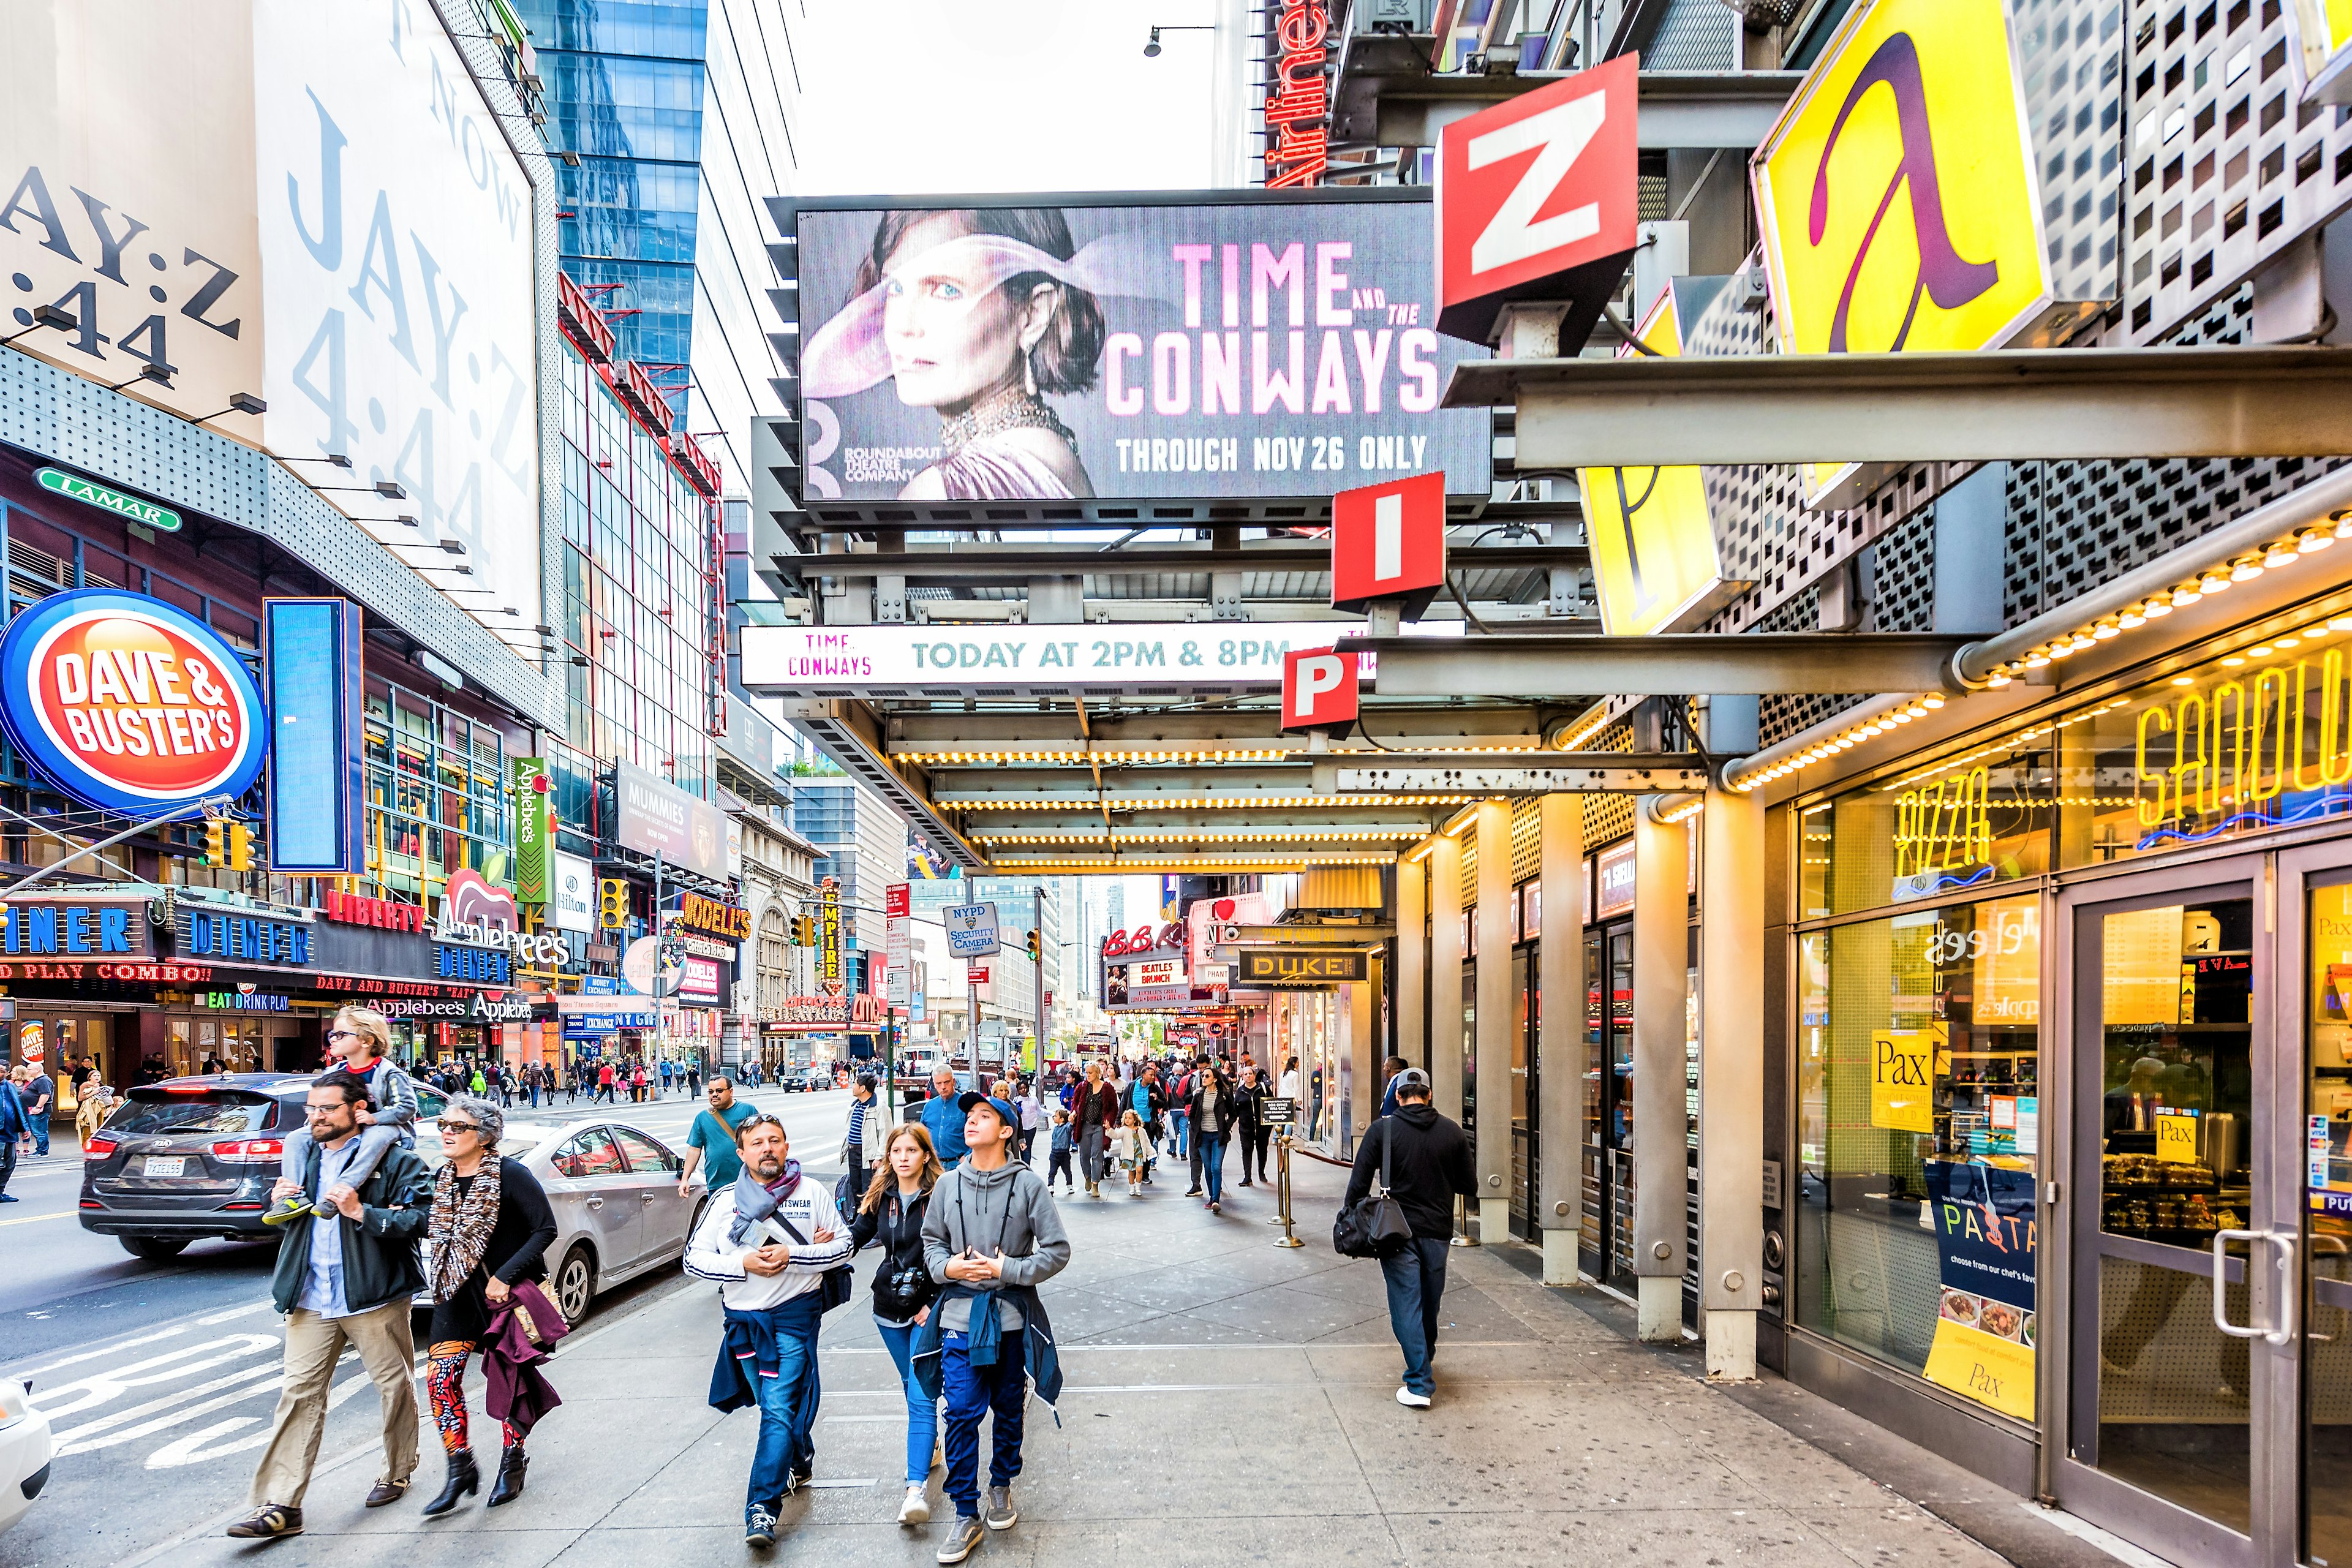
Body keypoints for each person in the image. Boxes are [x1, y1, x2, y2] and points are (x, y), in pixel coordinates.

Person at [804, 206, 1134, 502]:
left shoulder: (946, 490)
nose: (904, 325)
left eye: (947, 290)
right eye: (895, 287)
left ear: (1033, 314)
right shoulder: (1052, 451)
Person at [228, 1070, 433, 1538]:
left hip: (373, 1294)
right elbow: (288, 1223)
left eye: (327, 1109)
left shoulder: (394, 1159)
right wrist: (278, 1201)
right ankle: (281, 1504)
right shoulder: (303, 1159)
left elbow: (423, 1217)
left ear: (358, 1112)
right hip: (310, 1297)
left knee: (393, 1386)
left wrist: (364, 1212)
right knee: (299, 1394)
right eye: (311, 1109)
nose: (315, 1117)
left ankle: (398, 1468)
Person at [915, 1092, 1069, 1564]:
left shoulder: (1028, 1186)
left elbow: (1057, 1250)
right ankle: (965, 1512)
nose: (971, 1123)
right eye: (970, 1117)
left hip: (1010, 1320)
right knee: (960, 1412)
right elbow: (931, 1244)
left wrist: (1009, 1270)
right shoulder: (946, 1184)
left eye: (984, 1117)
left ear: (1006, 1131)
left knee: (1007, 1408)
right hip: (959, 1320)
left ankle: (1001, 1484)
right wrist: (949, 1271)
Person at [687, 1113, 853, 1548]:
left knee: (777, 1409)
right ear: (741, 1153)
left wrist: (795, 1255)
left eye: (775, 1141)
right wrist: (740, 1263)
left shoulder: (812, 1192)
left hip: (795, 1318)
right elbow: (693, 1260)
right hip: (743, 1324)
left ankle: (761, 1508)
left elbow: (844, 1245)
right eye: (758, 1142)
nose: (768, 1148)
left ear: (786, 1146)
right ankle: (799, 1454)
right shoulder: (725, 1201)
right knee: (777, 1408)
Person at [420, 1096, 559, 1515]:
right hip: (455, 1292)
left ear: (484, 1136)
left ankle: (512, 1461)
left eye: (459, 1127)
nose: (447, 1131)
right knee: (440, 1381)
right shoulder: (442, 1179)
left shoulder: (510, 1175)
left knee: (509, 1383)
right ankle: (459, 1465)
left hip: (504, 1297)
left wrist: (505, 1276)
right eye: (445, 1124)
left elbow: (545, 1230)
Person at [1343, 1068, 1476, 1409]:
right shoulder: (1453, 1133)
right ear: (1429, 1095)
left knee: (1406, 1303)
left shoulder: (1382, 1131)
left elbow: (1358, 1184)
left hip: (1394, 1231)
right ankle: (1423, 1357)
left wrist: (1349, 1216)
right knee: (1429, 1302)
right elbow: (1469, 1186)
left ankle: (1419, 1382)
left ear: (1398, 1097)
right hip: (1438, 1231)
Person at [847, 1123, 946, 1527]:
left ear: (925, 1155)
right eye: (896, 1151)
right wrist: (820, 1245)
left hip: (928, 1310)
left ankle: (915, 1491)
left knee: (922, 1397)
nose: (902, 1157)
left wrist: (933, 1304)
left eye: (910, 1150)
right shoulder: (881, 1195)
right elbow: (856, 1235)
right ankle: (932, 1446)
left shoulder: (942, 1195)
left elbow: (955, 1251)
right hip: (887, 1307)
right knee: (912, 1388)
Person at [265, 1008, 419, 1227]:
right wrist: (314, 1124)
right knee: (296, 1138)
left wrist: (375, 1118)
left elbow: (407, 1107)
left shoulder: (388, 1072)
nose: (332, 1040)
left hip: (383, 1126)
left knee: (375, 1139)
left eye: (340, 1035)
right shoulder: (334, 1071)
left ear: (367, 1040)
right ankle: (291, 1196)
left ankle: (340, 1191)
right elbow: (319, 1102)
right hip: (342, 1128)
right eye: (331, 1035)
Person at [684, 1074, 761, 1196]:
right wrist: (685, 1179)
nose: (714, 1094)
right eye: (711, 1092)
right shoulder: (702, 1117)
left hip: (748, 1182)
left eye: (719, 1091)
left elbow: (761, 1142)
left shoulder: (747, 1110)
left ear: (731, 1092)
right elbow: (694, 1150)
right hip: (716, 1185)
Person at [1190, 1063, 1237, 1214]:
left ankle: (1216, 1200)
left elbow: (1233, 1113)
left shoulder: (1224, 1095)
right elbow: (1192, 1115)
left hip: (1219, 1136)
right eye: (1203, 1076)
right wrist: (1196, 1128)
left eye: (1207, 1076)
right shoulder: (1199, 1095)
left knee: (1216, 1167)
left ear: (1215, 1079)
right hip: (1203, 1136)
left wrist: (1226, 1126)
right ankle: (1211, 1198)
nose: (1204, 1078)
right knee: (1208, 1168)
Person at [1071, 1060, 1119, 1199]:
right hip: (1085, 1125)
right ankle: (1087, 1176)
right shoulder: (1082, 1087)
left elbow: (1113, 1108)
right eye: (1086, 1073)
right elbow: (1075, 1103)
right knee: (1084, 1155)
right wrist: (1074, 1112)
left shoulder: (1107, 1088)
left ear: (1098, 1073)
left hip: (1099, 1126)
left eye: (1091, 1073)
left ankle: (1095, 1184)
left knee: (1096, 1155)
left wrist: (1109, 1121)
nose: (1088, 1075)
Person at [922, 1066, 971, 1169]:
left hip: (959, 1164)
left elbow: (979, 1135)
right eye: (939, 1084)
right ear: (934, 1085)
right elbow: (920, 1135)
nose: (943, 1087)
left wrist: (967, 1156)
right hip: (934, 1165)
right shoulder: (929, 1107)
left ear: (953, 1082)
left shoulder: (966, 1104)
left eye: (947, 1082)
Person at [1233, 1064, 1268, 1187]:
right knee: (1247, 1150)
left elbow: (1272, 1104)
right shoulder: (1240, 1091)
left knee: (1262, 1150)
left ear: (1254, 1075)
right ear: (1242, 1076)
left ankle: (1261, 1173)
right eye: (1246, 1074)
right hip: (1246, 1127)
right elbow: (1235, 1109)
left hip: (1262, 1126)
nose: (1248, 1076)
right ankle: (1247, 1177)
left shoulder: (1263, 1088)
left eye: (1251, 1074)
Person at [846, 1074, 879, 1194]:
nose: (853, 1087)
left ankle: (867, 1212)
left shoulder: (879, 1107)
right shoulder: (855, 1106)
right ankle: (857, 1211)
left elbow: (885, 1135)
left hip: (867, 1154)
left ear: (863, 1088)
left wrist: (879, 1157)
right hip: (853, 1152)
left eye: (855, 1084)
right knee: (855, 1187)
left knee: (867, 1189)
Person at [0, 1069, 28, 1202]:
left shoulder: (9, 1086)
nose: (2, 1073)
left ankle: (0, 1191)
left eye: (3, 1071)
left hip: (10, 1132)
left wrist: (24, 1128)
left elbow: (17, 1107)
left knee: (10, 1164)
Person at [1112, 1109, 1149, 1197]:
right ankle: (1132, 1187)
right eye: (1126, 1118)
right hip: (1129, 1154)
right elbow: (1116, 1135)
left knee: (1139, 1170)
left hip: (1139, 1153)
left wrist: (1151, 1153)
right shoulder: (1124, 1129)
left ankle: (1138, 1187)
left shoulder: (1140, 1130)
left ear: (1135, 1120)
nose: (1127, 1120)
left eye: (1130, 1118)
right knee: (1131, 1171)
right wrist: (1109, 1130)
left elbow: (1146, 1142)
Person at [19, 1067, 51, 1157]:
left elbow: (45, 1095)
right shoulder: (38, 1080)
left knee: (39, 1131)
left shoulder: (43, 1080)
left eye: (29, 1069)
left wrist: (38, 1107)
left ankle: (42, 1151)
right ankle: (41, 1150)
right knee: (37, 1131)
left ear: (37, 1070)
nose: (27, 1071)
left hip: (38, 1111)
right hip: (31, 1109)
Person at [1046, 1109, 1074, 1193]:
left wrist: (1072, 1121)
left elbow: (1071, 1126)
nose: (1054, 1117)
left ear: (1062, 1119)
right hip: (1054, 1153)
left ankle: (1069, 1185)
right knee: (1052, 1171)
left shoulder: (1066, 1127)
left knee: (1067, 1171)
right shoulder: (1055, 1128)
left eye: (1056, 1116)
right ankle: (1051, 1185)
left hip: (1064, 1153)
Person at [1377, 1054, 1409, 1120]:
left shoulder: (1399, 1082)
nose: (1383, 1069)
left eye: (1384, 1066)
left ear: (1388, 1069)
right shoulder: (1395, 1081)